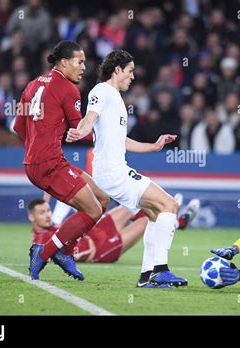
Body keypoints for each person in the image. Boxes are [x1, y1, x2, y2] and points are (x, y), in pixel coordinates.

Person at [66, 50, 189, 288]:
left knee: (155, 214)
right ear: (117, 70)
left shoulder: (115, 98)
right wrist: (80, 131)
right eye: (130, 71)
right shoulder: (102, 91)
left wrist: (153, 147)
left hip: (114, 170)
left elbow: (121, 141)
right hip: (113, 172)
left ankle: (147, 275)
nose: (133, 76)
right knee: (170, 205)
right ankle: (160, 271)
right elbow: (89, 118)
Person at [13, 40, 110, 281]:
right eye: (79, 61)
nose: (84, 67)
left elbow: (18, 128)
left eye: (85, 62)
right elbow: (82, 130)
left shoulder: (32, 85)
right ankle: (45, 252)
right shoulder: (68, 89)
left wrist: (39, 144)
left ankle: (65, 250)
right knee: (93, 210)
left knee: (101, 198)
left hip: (38, 162)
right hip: (49, 164)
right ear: (64, 62)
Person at [28, 194, 199, 264]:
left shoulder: (53, 226)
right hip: (101, 249)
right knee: (146, 221)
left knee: (130, 206)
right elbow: (53, 257)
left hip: (95, 232)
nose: (48, 215)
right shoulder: (40, 241)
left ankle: (168, 211)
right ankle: (178, 222)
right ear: (31, 217)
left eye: (47, 211)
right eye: (42, 213)